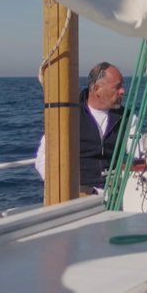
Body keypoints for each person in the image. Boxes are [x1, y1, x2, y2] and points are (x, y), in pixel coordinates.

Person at [35, 62, 127, 194]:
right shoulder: (69, 117)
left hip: (117, 193)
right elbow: (43, 159)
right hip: (80, 194)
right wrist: (65, 190)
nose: (123, 91)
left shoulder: (127, 118)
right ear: (97, 89)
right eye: (117, 87)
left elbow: (138, 154)